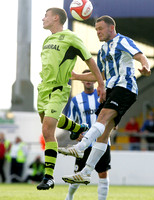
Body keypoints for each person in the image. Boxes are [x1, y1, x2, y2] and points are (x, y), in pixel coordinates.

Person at [58, 15, 151, 184]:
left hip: (125, 87)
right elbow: (100, 76)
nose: (98, 32)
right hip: (112, 89)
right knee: (104, 134)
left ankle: (80, 147)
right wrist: (77, 76)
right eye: (96, 30)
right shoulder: (102, 51)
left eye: (100, 29)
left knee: (102, 118)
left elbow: (140, 55)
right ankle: (86, 172)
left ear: (111, 28)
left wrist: (146, 66)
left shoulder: (123, 41)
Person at [36, 7, 105, 190]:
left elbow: (90, 60)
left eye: (46, 15)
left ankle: (48, 177)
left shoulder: (71, 37)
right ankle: (77, 128)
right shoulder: (47, 40)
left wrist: (101, 84)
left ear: (56, 18)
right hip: (43, 89)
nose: (43, 19)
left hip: (58, 89)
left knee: (47, 129)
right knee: (48, 124)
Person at [65, 69, 111, 200]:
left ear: (95, 80)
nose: (88, 81)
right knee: (78, 173)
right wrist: (75, 132)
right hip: (85, 143)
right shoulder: (75, 100)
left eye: (91, 78)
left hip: (102, 141)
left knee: (103, 173)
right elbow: (70, 121)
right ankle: (69, 196)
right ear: (82, 81)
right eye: (85, 78)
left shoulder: (103, 96)